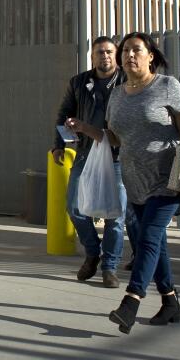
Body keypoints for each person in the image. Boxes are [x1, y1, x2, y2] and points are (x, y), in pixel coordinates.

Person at [66, 32, 180, 335]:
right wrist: (84, 128)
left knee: (147, 238)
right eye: (126, 51)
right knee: (156, 245)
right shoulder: (117, 94)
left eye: (136, 50)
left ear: (150, 56)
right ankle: (170, 301)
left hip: (167, 179)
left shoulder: (167, 86)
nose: (129, 55)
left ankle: (131, 301)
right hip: (135, 181)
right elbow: (114, 137)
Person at [52, 37, 126, 288]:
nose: (104, 56)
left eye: (108, 52)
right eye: (99, 52)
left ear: (115, 55)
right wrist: (59, 144)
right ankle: (93, 252)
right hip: (85, 152)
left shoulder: (127, 81)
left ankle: (110, 267)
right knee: (74, 207)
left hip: (118, 157)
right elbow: (64, 114)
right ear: (92, 56)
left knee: (116, 216)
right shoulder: (79, 82)